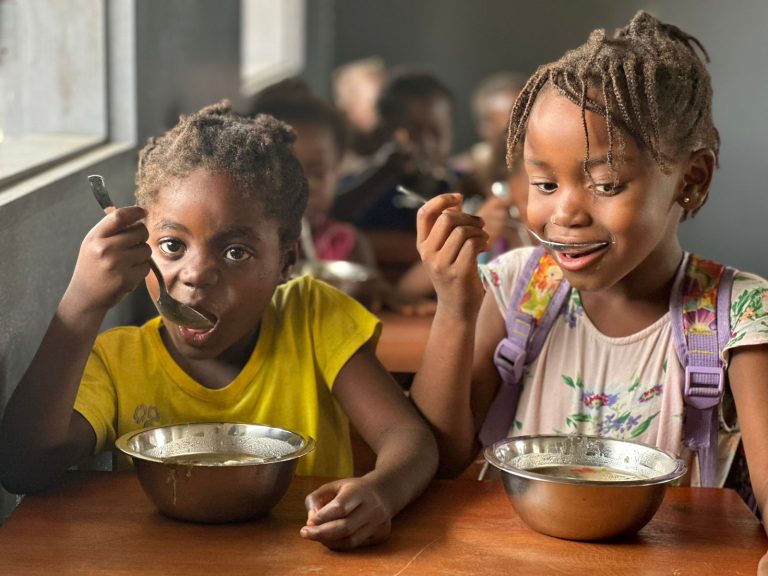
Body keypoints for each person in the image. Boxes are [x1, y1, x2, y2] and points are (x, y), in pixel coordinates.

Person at [409, 11, 768, 567]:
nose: (564, 213)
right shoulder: (521, 289)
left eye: (605, 184)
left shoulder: (740, 315)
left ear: (691, 179)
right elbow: (443, 457)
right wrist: (455, 306)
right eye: (544, 184)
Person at [0, 101, 438, 550]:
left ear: (286, 261)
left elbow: (408, 438)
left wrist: (381, 492)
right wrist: (80, 305)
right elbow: (22, 468)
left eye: (235, 253)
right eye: (172, 246)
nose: (196, 274)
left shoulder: (312, 318)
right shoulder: (118, 362)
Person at [450, 71, 528, 180]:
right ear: (486, 128)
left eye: (531, 110)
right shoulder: (460, 176)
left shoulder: (546, 165)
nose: (527, 122)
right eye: (516, 114)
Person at [332, 57, 389, 179]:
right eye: (378, 102)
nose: (387, 108)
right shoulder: (331, 149)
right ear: (351, 102)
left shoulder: (393, 139)